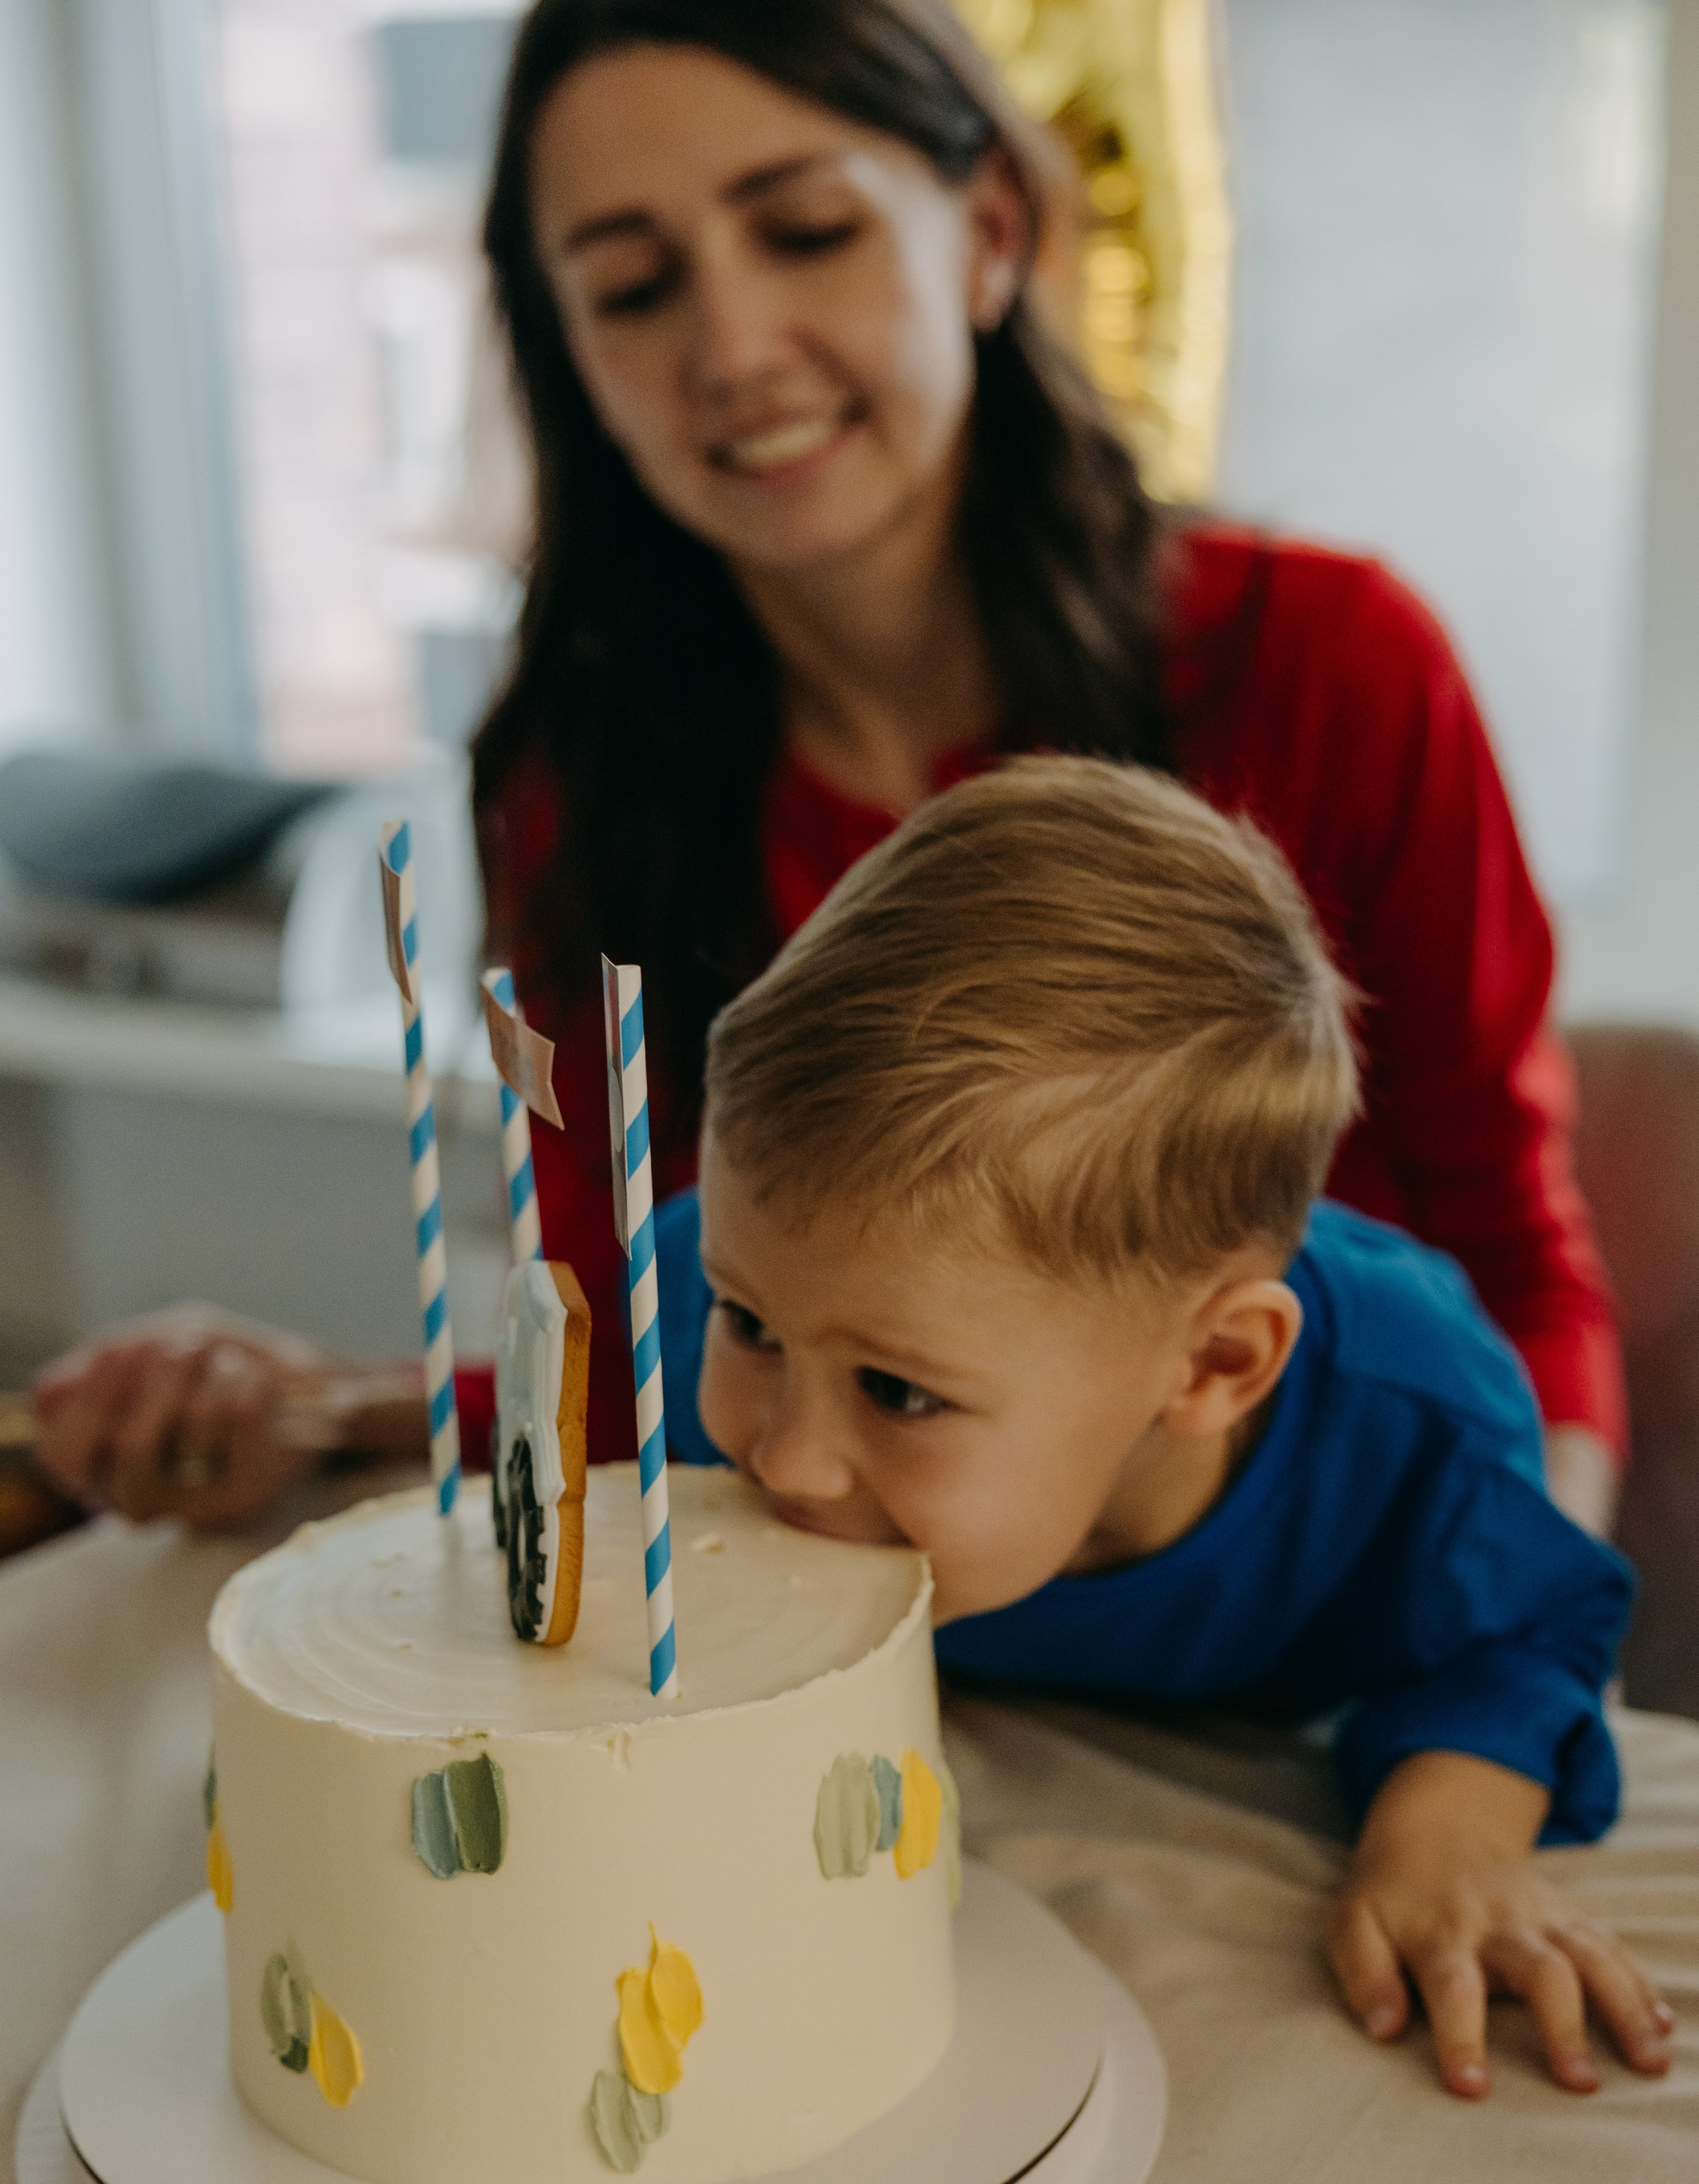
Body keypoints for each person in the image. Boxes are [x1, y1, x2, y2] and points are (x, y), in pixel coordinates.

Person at [31, 0, 1624, 1538]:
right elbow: (637, 1360)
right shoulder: (580, 781)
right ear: (565, 353)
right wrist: (305, 1416)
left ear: (988, 228)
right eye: (634, 287)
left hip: (1302, 1628)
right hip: (886, 1645)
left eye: (803, 233)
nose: (730, 345)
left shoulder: (1332, 663)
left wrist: (1519, 1626)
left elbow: (1516, 1258)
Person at [650, 753, 1672, 2100]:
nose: (779, 1453)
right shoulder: (706, 1289)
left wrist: (1442, 1835)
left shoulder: (1414, 1439)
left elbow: (1518, 1641)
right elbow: (581, 1443)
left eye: (899, 1393)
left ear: (1212, 1365)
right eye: (751, 1325)